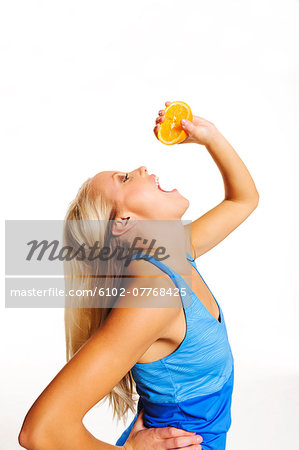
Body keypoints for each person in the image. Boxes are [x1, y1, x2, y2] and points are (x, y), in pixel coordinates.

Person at [18, 101, 259, 450]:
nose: (142, 167)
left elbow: (243, 200)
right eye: (126, 178)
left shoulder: (175, 252)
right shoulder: (153, 293)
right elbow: (40, 431)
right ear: (124, 221)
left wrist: (210, 138)